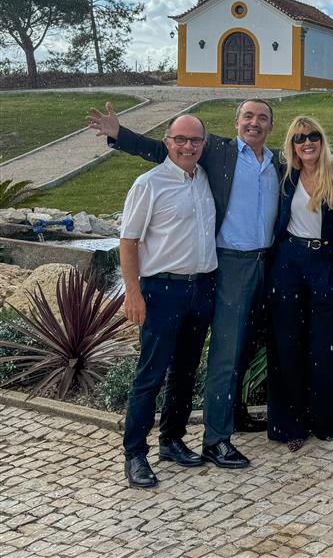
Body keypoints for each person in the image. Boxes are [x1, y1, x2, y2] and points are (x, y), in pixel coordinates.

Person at [88, 100, 333, 468]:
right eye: (248, 116)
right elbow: (169, 149)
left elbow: (314, 158)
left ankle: (231, 416)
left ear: (271, 127)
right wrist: (119, 134)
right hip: (231, 265)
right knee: (225, 352)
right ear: (236, 121)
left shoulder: (277, 161)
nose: (254, 123)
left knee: (247, 343)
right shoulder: (216, 152)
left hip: (270, 265)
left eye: (262, 118)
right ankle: (216, 439)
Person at [119, 114, 217, 488]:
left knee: (185, 371)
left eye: (195, 141)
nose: (188, 146)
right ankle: (135, 454)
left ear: (203, 144)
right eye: (181, 139)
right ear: (167, 140)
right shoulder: (149, 184)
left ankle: (172, 439)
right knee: (151, 375)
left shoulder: (204, 178)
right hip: (161, 290)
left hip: (201, 287)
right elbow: (128, 242)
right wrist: (132, 291)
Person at [267, 116, 333, 451]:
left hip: (328, 264)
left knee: (327, 346)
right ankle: (289, 425)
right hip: (289, 262)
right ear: (291, 146)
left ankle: (324, 421)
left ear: (321, 140)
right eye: (299, 138)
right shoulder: (285, 173)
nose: (306, 143)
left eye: (312, 136)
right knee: (288, 344)